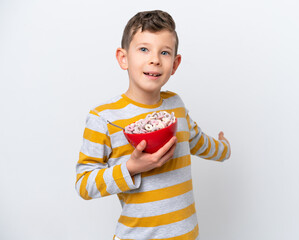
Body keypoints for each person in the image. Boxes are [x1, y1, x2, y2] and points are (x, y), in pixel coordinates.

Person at [75, 10, 231, 240]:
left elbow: (197, 141)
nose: (155, 59)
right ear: (123, 57)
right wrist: (131, 168)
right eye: (144, 49)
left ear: (175, 64)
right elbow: (83, 184)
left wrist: (224, 149)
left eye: (165, 52)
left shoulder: (176, 105)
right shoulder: (103, 118)